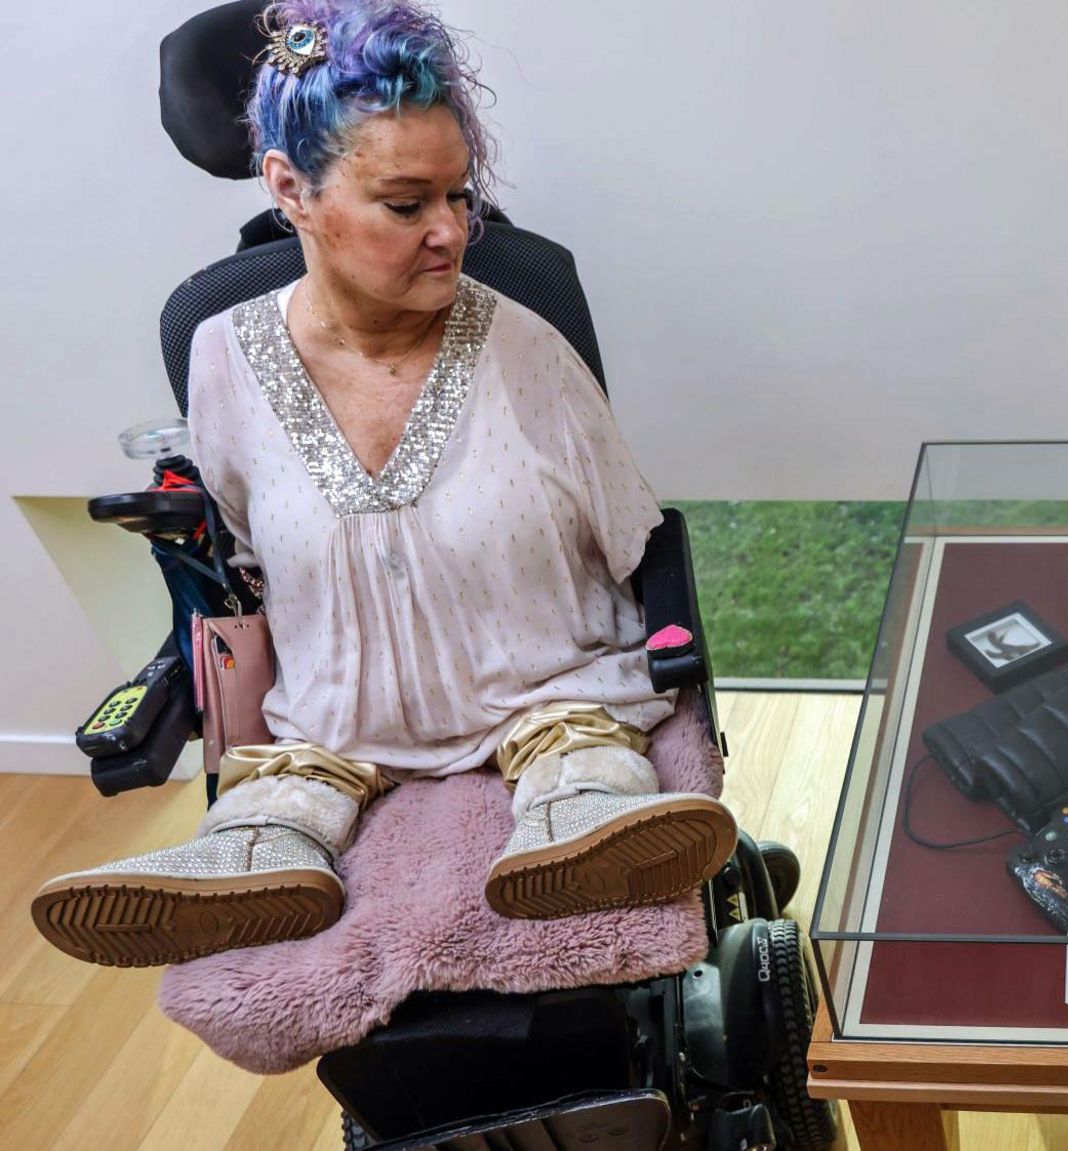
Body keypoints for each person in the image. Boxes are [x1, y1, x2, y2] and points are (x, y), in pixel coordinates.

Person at [30, 0, 736, 969]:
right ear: (291, 189)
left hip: (545, 695)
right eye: (407, 205)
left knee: (584, 764)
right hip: (334, 723)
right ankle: (254, 856)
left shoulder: (525, 341)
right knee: (277, 797)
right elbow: (243, 556)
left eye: (459, 195)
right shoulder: (221, 355)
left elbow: (633, 536)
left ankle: (578, 827)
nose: (450, 232)